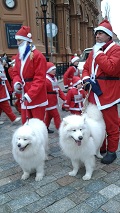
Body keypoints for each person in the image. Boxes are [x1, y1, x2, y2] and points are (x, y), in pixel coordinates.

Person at [82, 19, 120, 164]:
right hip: (93, 93)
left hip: (108, 94)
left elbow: (111, 68)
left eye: (101, 33)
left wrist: (98, 54)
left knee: (111, 124)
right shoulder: (94, 50)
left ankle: (112, 151)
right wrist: (85, 79)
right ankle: (101, 148)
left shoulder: (116, 50)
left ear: (109, 36)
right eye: (96, 33)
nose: (97, 36)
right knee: (96, 122)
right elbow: (86, 68)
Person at [12, 26, 48, 124]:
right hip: (24, 93)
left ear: (26, 41)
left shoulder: (38, 56)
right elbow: (15, 73)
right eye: (17, 41)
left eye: (19, 41)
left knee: (37, 126)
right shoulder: (19, 56)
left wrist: (30, 94)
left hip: (37, 96)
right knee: (26, 124)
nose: (17, 43)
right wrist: (17, 83)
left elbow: (40, 79)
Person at [44, 62, 66, 133]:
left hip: (53, 100)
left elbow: (58, 89)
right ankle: (61, 130)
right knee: (56, 115)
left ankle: (44, 128)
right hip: (49, 101)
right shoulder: (46, 80)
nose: (54, 71)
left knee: (49, 116)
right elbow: (43, 91)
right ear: (48, 70)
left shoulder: (53, 79)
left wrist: (64, 98)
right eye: (52, 69)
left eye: (54, 69)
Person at [0, 59, 21, 124]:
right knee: (6, 105)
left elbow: (5, 80)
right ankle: (13, 118)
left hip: (3, 90)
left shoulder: (2, 71)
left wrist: (9, 89)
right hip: (1, 92)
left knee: (1, 107)